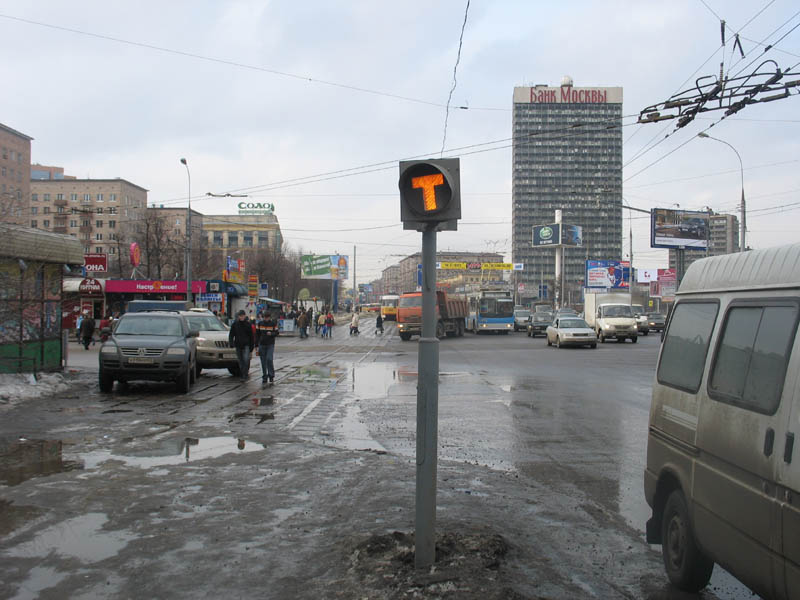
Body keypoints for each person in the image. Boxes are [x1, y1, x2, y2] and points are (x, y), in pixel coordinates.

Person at [228, 310, 254, 380]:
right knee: (240, 360)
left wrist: (252, 347)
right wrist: (231, 343)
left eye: (243, 316)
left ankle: (245, 374)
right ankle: (243, 374)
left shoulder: (248, 325)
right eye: (240, 316)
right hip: (238, 345)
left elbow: (251, 336)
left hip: (246, 345)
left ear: (245, 316)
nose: (242, 317)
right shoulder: (235, 324)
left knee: (246, 359)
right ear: (238, 316)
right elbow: (231, 334)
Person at [255, 311, 279, 384]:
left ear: (269, 317)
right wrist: (256, 345)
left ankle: (271, 375)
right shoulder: (259, 324)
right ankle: (264, 376)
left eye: (267, 317)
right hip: (262, 344)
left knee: (269, 359)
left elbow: (277, 332)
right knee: (263, 361)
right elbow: (257, 334)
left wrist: (271, 334)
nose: (266, 319)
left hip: (270, 344)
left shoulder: (273, 324)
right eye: (265, 317)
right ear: (263, 317)